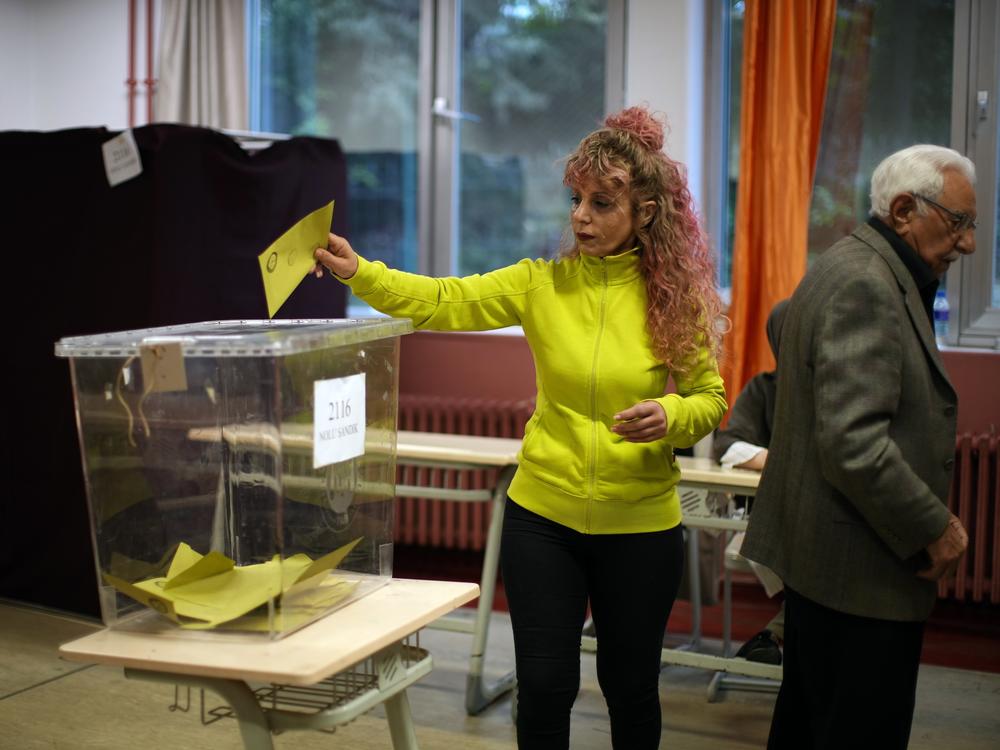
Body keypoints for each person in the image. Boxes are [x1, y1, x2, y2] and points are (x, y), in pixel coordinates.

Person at [313, 106, 727, 749]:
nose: (581, 216)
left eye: (602, 203)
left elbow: (710, 398)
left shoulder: (675, 302)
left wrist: (670, 416)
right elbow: (441, 300)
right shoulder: (542, 285)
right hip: (543, 517)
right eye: (576, 199)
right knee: (544, 685)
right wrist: (358, 272)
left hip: (641, 527)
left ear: (645, 212)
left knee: (632, 687)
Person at [740, 144, 974, 750]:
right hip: (860, 570)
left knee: (810, 720)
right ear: (902, 209)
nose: (969, 244)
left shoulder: (850, 263)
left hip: (833, 562)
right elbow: (853, 443)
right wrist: (935, 526)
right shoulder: (867, 284)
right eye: (959, 223)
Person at [712, 298, 789, 665]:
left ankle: (773, 634)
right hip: (772, 513)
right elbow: (727, 443)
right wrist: (782, 463)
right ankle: (775, 634)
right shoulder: (764, 388)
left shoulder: (836, 392)